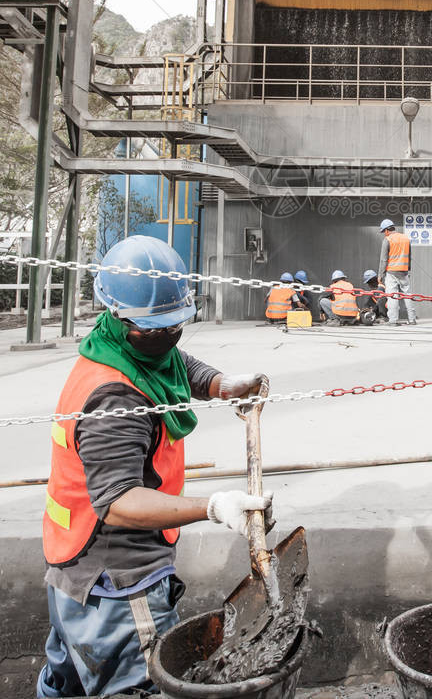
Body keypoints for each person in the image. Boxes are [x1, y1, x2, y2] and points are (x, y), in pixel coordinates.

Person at [37, 235, 273, 699]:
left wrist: (221, 384)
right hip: (117, 581)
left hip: (74, 569)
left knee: (66, 687)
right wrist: (212, 506)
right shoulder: (114, 394)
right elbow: (119, 502)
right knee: (142, 686)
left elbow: (174, 362)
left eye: (177, 323)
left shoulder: (122, 346)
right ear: (119, 317)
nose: (169, 334)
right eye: (156, 327)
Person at [378, 218, 417, 325]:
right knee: (407, 294)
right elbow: (409, 256)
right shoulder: (405, 238)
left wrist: (380, 275)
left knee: (392, 296)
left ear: (386, 230)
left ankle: (393, 320)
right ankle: (412, 319)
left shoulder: (387, 240)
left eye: (383, 232)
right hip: (404, 271)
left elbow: (383, 260)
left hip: (391, 272)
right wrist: (408, 270)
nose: (384, 234)